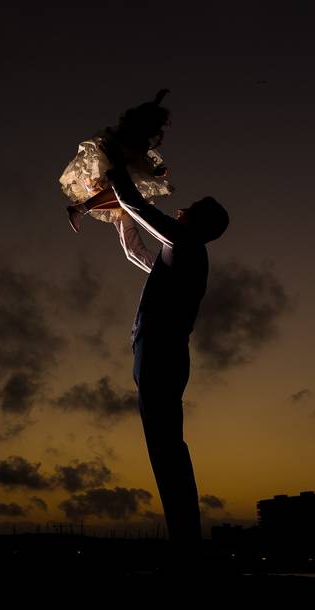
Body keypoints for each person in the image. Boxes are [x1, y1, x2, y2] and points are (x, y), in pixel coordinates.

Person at [104, 143, 230, 573]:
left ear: (198, 222)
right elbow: (138, 254)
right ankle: (185, 540)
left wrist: (116, 163)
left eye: (189, 207)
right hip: (156, 353)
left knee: (166, 448)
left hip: (162, 355)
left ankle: (186, 545)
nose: (180, 210)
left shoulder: (187, 244)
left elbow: (137, 203)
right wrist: (120, 217)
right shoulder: (181, 252)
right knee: (164, 446)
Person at [59, 90, 174, 233]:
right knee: (127, 196)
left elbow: (134, 165)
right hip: (101, 175)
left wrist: (158, 99)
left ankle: (81, 208)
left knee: (125, 200)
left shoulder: (131, 132)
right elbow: (129, 164)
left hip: (102, 175)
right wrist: (153, 172)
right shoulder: (132, 138)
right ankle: (80, 208)